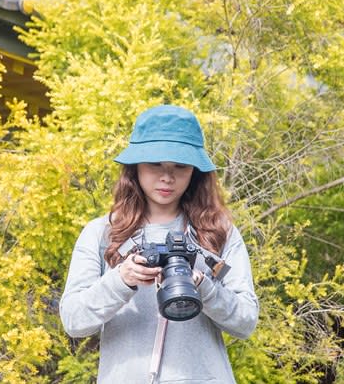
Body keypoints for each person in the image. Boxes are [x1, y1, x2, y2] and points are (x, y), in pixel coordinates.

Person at [60, 105, 259, 383]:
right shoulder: (101, 233)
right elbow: (74, 321)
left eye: (180, 165)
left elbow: (246, 321)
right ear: (136, 166)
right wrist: (122, 280)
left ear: (195, 172)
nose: (167, 176)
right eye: (155, 163)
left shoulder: (218, 232)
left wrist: (204, 287)